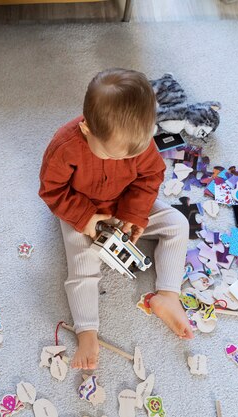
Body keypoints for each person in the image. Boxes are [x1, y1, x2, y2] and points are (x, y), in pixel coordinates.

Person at [39, 68, 193, 370]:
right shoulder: (65, 146)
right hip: (79, 209)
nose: (126, 160)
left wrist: (133, 214)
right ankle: (87, 331)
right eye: (114, 156)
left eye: (131, 155)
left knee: (178, 224)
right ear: (87, 130)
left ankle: (168, 295)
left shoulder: (138, 141)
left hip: (124, 203)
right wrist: (83, 217)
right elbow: (51, 191)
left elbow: (150, 176)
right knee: (84, 264)